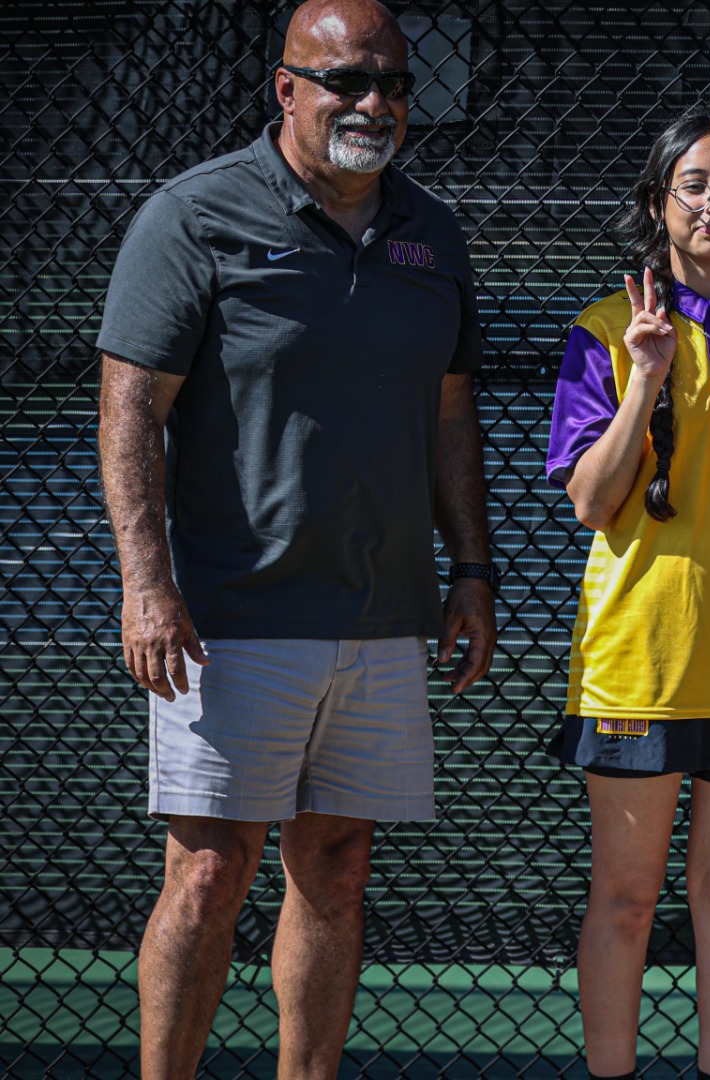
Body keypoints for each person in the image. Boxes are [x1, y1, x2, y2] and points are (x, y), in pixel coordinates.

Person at [93, 1, 495, 1076]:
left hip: (381, 619)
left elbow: (451, 413)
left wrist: (472, 570)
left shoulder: (433, 229)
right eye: (347, 81)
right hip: (229, 618)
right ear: (285, 87)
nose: (374, 104)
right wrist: (148, 583)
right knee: (209, 875)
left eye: (395, 85)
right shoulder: (193, 216)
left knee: (338, 867)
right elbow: (130, 405)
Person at [544, 110, 710, 1080]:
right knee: (624, 901)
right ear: (657, 204)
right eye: (694, 185)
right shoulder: (605, 331)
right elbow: (591, 503)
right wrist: (646, 378)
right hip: (635, 663)